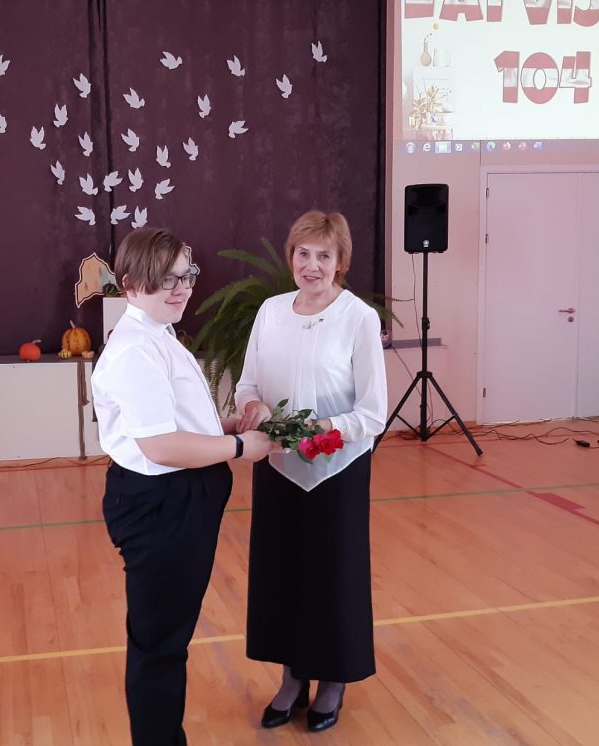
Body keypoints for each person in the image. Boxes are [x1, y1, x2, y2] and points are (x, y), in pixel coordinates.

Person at [91, 227, 276, 745]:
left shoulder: (159, 333)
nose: (181, 289)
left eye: (185, 276)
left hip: (177, 500)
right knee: (159, 646)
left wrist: (225, 427)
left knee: (167, 638)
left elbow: (174, 423)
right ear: (130, 285)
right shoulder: (136, 349)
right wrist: (239, 448)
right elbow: (161, 446)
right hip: (162, 505)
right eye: (164, 280)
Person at [234, 210, 388, 733]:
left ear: (341, 262)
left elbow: (372, 413)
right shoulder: (271, 312)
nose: (312, 265)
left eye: (324, 255)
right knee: (283, 574)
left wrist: (323, 428)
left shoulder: (358, 318)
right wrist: (253, 407)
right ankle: (292, 678)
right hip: (278, 466)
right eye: (304, 253)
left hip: (336, 470)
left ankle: (333, 681)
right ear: (291, 256)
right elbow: (247, 384)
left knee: (333, 577)